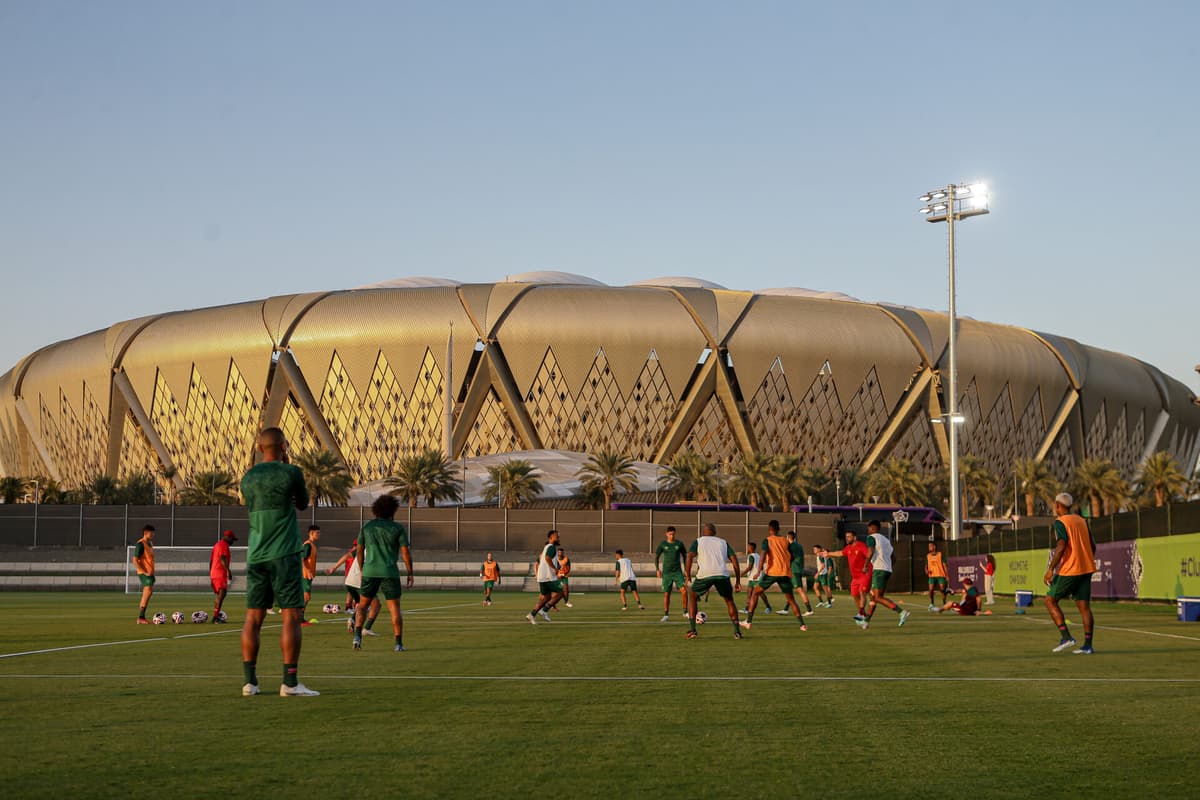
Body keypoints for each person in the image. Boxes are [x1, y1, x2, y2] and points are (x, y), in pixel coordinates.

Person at [239, 427, 318, 697]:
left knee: (253, 618)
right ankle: (290, 683)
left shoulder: (248, 478)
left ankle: (250, 683)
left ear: (260, 448)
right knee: (292, 617)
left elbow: (251, 506)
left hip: (256, 553)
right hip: (284, 553)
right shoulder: (291, 472)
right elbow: (303, 503)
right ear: (284, 446)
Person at [352, 494, 414, 652]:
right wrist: (410, 572)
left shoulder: (367, 527)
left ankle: (357, 636)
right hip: (389, 572)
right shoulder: (397, 528)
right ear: (392, 510)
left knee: (362, 605)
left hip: (369, 571)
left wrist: (361, 568)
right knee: (394, 608)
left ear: (376, 510)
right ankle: (398, 643)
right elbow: (406, 553)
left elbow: (359, 550)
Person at [1044, 492, 1097, 655]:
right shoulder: (1081, 520)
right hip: (1086, 568)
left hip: (1071, 569)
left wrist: (1051, 568)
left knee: (1050, 601)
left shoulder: (1060, 522)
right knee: (1084, 607)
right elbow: (1093, 546)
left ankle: (1067, 637)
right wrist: (1085, 558)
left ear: (1058, 505)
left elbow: (1061, 546)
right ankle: (1088, 646)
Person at [740, 520, 808, 631]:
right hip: (785, 573)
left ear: (769, 529)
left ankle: (748, 621)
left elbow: (763, 555)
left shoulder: (767, 540)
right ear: (779, 528)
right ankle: (802, 625)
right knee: (791, 600)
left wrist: (759, 570)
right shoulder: (786, 541)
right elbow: (792, 556)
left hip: (772, 572)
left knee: (755, 593)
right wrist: (786, 564)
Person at [685, 522, 744, 639]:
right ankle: (737, 632)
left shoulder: (699, 541)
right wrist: (738, 581)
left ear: (703, 532)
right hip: (722, 573)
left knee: (692, 596)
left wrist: (687, 575)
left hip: (705, 574)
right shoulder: (723, 542)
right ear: (715, 533)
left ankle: (692, 630)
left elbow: (690, 556)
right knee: (729, 600)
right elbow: (734, 560)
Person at [857, 520, 910, 629]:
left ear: (872, 528)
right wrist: (887, 567)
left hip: (879, 570)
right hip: (887, 570)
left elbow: (870, 551)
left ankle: (901, 612)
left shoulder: (871, 538)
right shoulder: (886, 540)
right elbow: (893, 558)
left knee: (877, 597)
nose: (868, 531)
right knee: (872, 596)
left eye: (869, 529)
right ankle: (866, 622)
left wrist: (865, 565)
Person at [824, 528, 872, 624]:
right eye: (846, 537)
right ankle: (863, 615)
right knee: (855, 595)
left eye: (849, 537)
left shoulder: (861, 546)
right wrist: (828, 554)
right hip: (855, 577)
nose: (847, 538)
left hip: (865, 574)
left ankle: (861, 613)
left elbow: (869, 555)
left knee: (862, 592)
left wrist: (865, 566)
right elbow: (840, 553)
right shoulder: (848, 548)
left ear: (854, 537)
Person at [526, 530, 565, 624]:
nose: (558, 538)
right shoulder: (551, 547)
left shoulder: (547, 546)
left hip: (542, 577)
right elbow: (547, 558)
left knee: (546, 598)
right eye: (557, 537)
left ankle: (532, 614)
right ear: (551, 538)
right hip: (547, 577)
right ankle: (544, 610)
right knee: (561, 592)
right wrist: (555, 569)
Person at [654, 526, 689, 622]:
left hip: (677, 572)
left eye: (673, 534)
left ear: (675, 534)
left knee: (684, 591)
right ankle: (666, 615)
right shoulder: (663, 544)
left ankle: (685, 612)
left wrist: (686, 569)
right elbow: (656, 557)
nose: (672, 536)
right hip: (667, 573)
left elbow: (685, 556)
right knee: (667, 594)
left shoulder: (679, 544)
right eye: (670, 534)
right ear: (666, 534)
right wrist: (657, 569)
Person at [781, 530, 815, 616]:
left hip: (794, 570)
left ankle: (809, 609)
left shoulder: (791, 546)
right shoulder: (799, 545)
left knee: (800, 590)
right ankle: (786, 609)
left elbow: (789, 557)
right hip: (798, 569)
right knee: (789, 589)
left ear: (788, 537)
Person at [209, 529, 237, 622]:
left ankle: (216, 615)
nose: (233, 542)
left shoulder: (217, 545)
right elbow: (222, 558)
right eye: (232, 539)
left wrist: (211, 573)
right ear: (228, 537)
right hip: (219, 572)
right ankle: (215, 617)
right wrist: (228, 571)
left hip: (215, 572)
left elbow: (211, 560)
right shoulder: (223, 545)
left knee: (220, 595)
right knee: (222, 594)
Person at [132, 524, 156, 624]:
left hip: (150, 573)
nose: (153, 535)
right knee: (148, 591)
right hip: (144, 573)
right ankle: (141, 617)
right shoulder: (140, 544)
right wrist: (144, 572)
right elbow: (134, 560)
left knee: (148, 592)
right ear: (145, 533)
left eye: (153, 533)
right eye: (151, 533)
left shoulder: (149, 544)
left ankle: (141, 617)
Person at [741, 541, 773, 614]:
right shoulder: (758, 555)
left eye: (748, 547)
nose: (747, 548)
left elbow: (749, 567)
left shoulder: (751, 556)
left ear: (751, 548)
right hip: (753, 577)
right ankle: (747, 608)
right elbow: (761, 566)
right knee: (749, 593)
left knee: (760, 594)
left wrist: (741, 574)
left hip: (755, 578)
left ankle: (768, 607)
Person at [300, 525, 321, 625]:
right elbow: (301, 559)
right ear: (311, 533)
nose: (319, 535)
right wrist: (307, 571)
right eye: (317, 533)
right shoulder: (307, 545)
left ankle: (300, 618)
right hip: (305, 575)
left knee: (306, 597)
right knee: (306, 597)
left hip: (308, 575)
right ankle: (299, 619)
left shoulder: (312, 545)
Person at [926, 541, 950, 610]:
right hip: (932, 576)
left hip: (941, 575)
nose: (929, 547)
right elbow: (926, 566)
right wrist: (926, 571)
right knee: (930, 590)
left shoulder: (940, 554)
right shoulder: (928, 556)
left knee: (942, 590)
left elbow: (945, 565)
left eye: (930, 546)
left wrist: (947, 575)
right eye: (929, 546)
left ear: (934, 547)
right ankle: (931, 604)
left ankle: (944, 603)